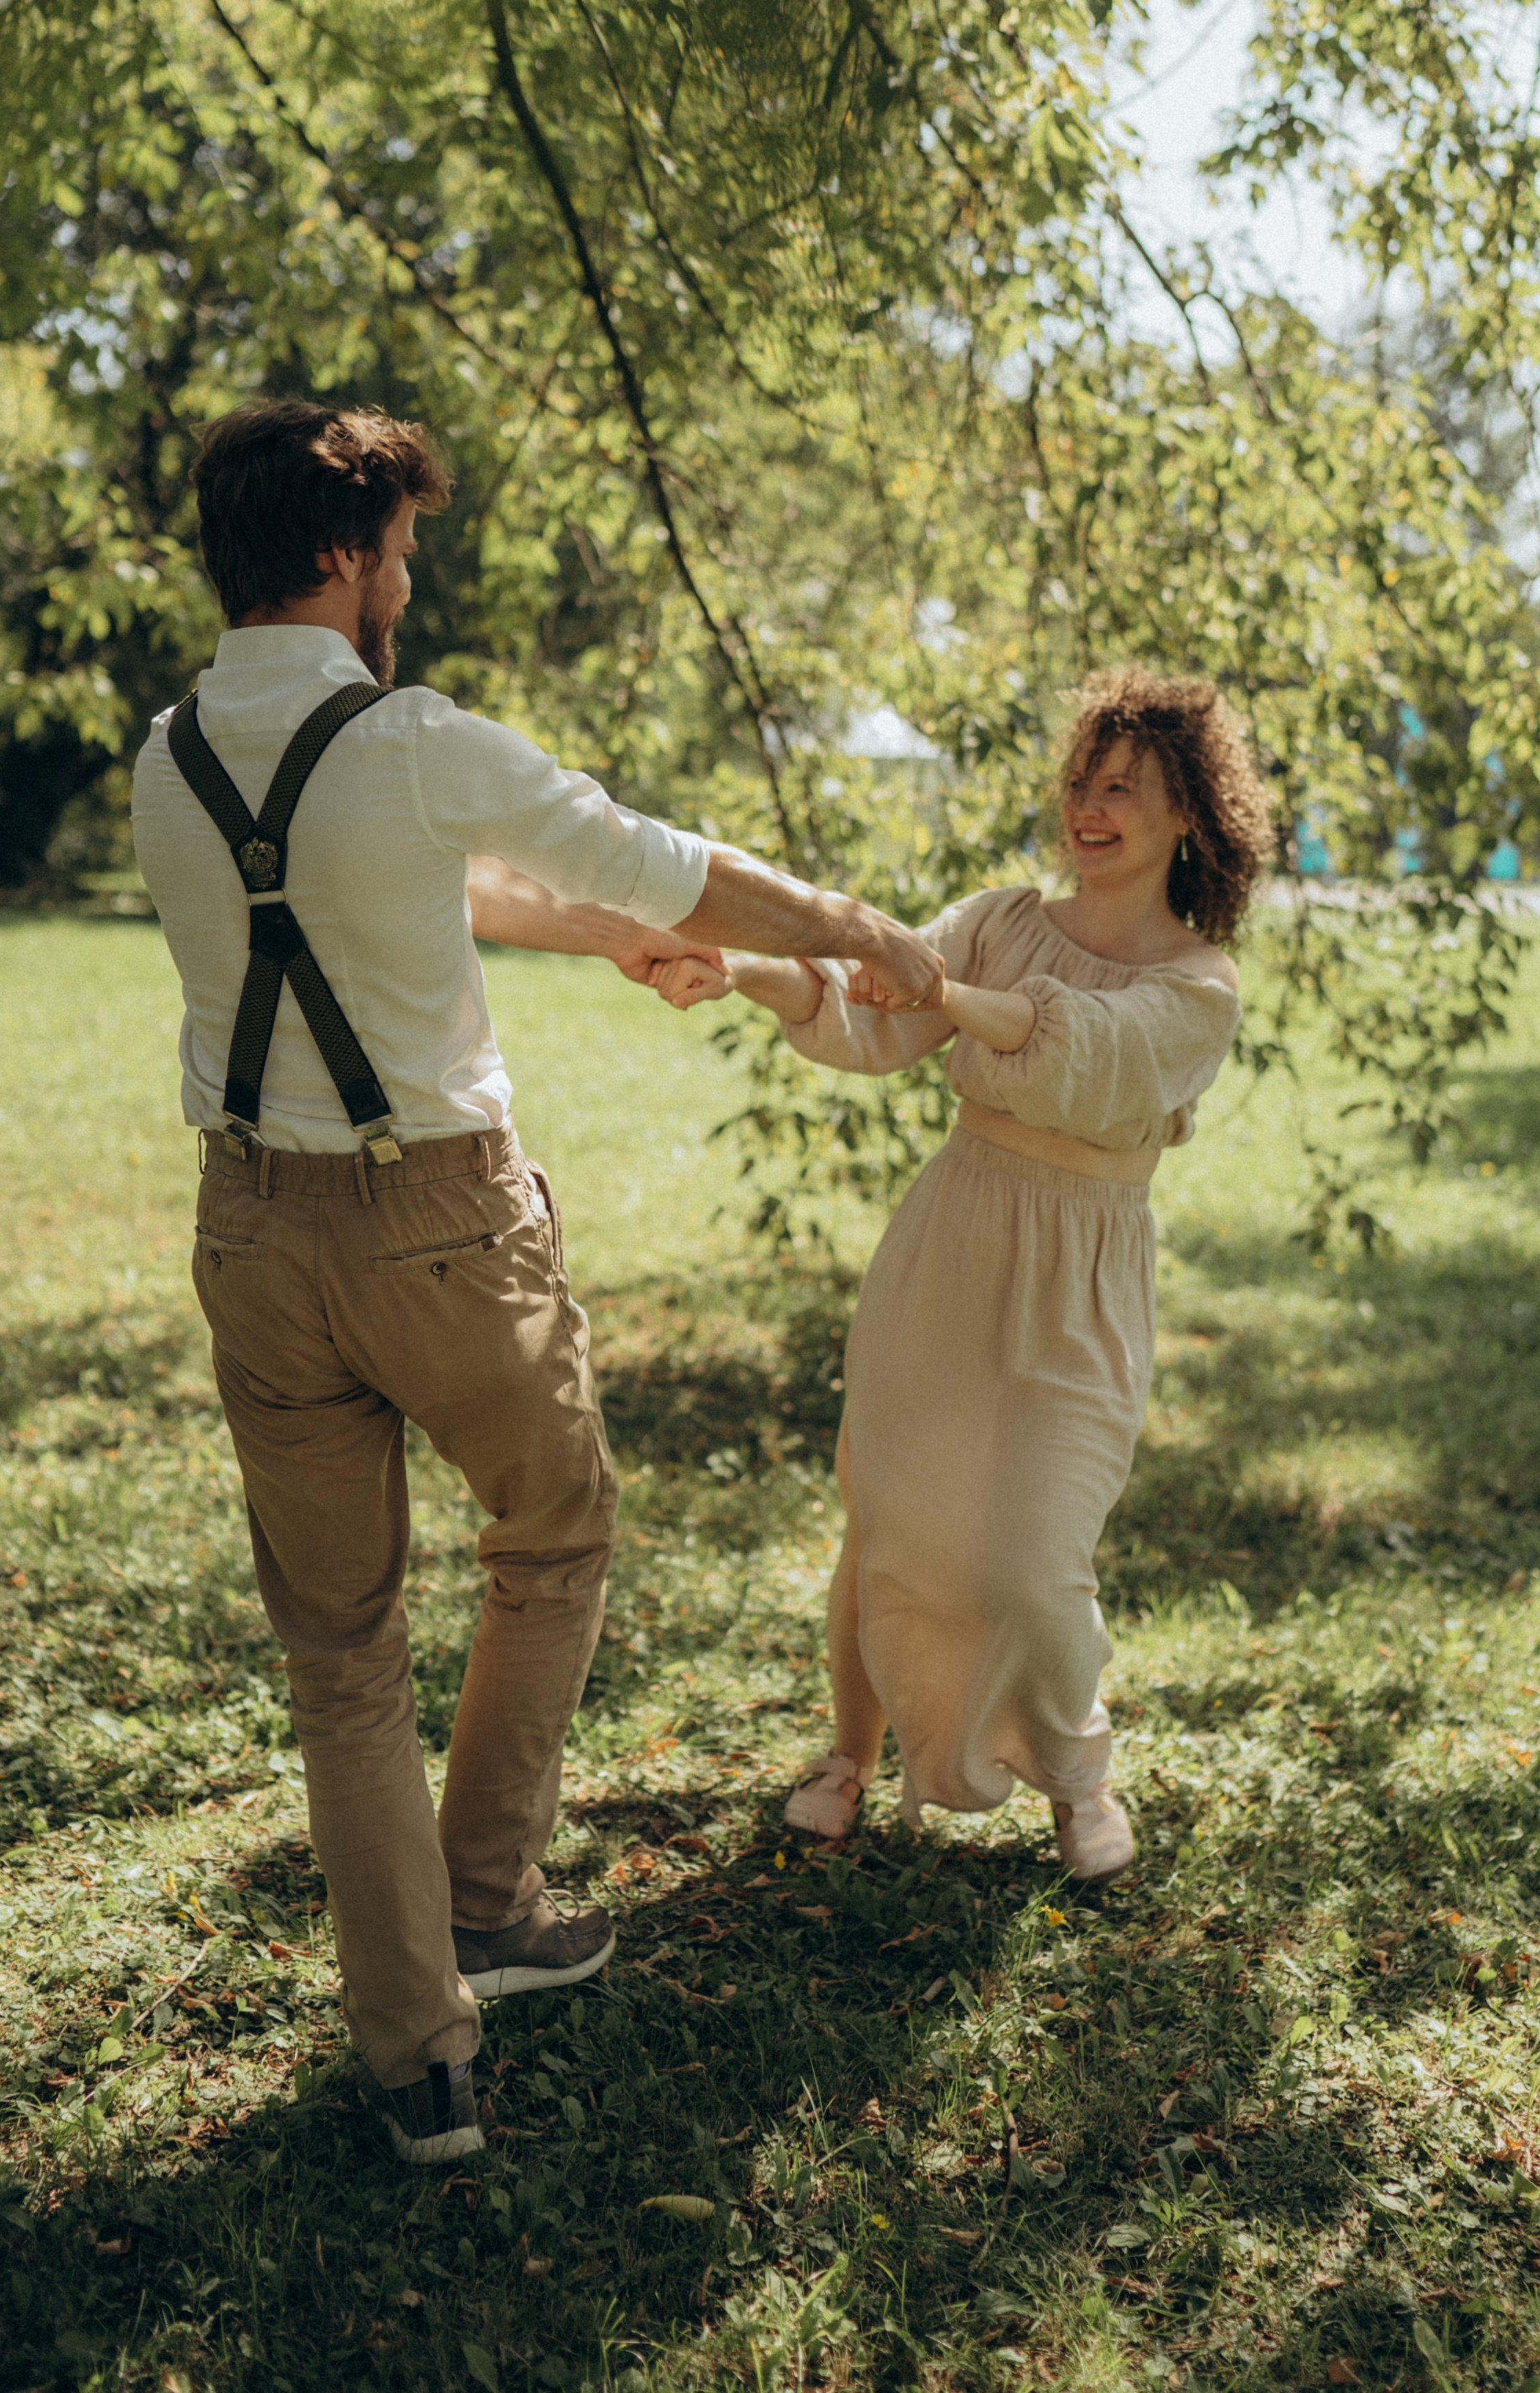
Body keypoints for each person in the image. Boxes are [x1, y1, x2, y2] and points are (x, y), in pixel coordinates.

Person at [130, 399, 944, 2164]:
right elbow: (645, 850)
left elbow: (441, 892)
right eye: (402, 547)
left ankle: (415, 2057)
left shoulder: (169, 751)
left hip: (255, 1240)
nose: (408, 577)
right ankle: (487, 1902)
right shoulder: (411, 735)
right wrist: (856, 932)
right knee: (552, 1539)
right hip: (439, 1228)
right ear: (343, 555)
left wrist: (634, 942)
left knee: (339, 1654)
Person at [653, 667, 1270, 1879]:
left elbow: (1087, 1055)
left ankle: (1076, 1778)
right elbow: (870, 1007)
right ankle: (846, 1755)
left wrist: (949, 993)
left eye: (1124, 791)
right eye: (1082, 784)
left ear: (1188, 813)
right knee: (891, 1519)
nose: (1091, 809)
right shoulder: (1000, 919)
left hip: (1082, 1273)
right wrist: (739, 969)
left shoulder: (1199, 982)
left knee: (1035, 1557)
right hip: (951, 1245)